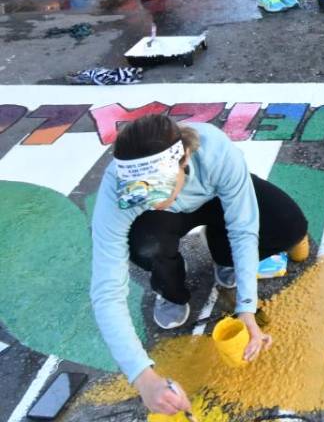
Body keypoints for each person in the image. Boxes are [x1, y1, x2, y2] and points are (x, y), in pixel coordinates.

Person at [90, 114, 308, 416]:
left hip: (215, 196)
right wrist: (142, 377)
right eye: (141, 192)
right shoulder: (117, 188)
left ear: (186, 158)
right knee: (146, 244)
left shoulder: (217, 152)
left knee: (289, 225)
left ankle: (223, 257)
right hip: (164, 224)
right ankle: (172, 290)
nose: (153, 200)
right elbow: (106, 291)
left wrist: (246, 307)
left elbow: (244, 228)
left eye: (160, 188)